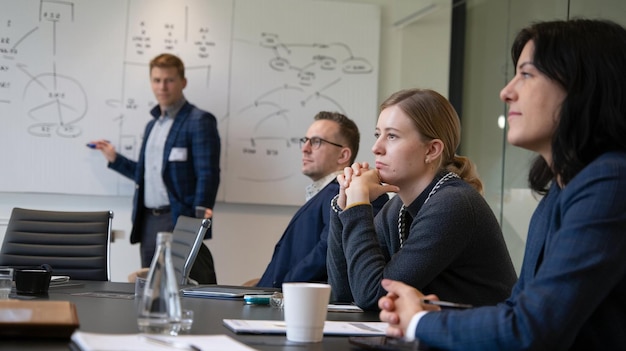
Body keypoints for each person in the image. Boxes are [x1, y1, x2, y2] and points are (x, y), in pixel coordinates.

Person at [378, 19, 626, 350]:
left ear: (582, 87)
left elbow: (532, 328)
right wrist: (437, 315)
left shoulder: (611, 182)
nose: (506, 92)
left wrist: (420, 321)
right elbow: (519, 310)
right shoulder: (561, 192)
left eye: (526, 74)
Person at [327, 88, 517, 310]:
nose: (376, 148)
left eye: (392, 136)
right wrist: (343, 206)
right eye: (378, 134)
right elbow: (344, 292)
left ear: (432, 150)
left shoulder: (453, 204)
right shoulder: (396, 208)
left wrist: (359, 203)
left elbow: (372, 296)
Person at [89, 53, 220, 284]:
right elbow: (147, 174)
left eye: (169, 80)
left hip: (178, 218)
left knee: (183, 289)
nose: (162, 86)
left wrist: (197, 224)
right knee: (151, 288)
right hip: (148, 220)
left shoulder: (199, 121)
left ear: (183, 82)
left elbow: (207, 174)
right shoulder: (152, 125)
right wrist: (115, 158)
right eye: (157, 80)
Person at [255, 111, 389, 288]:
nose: (305, 148)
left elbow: (326, 252)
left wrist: (283, 287)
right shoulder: (326, 192)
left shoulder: (344, 192)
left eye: (316, 142)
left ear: (343, 155)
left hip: (301, 300)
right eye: (305, 140)